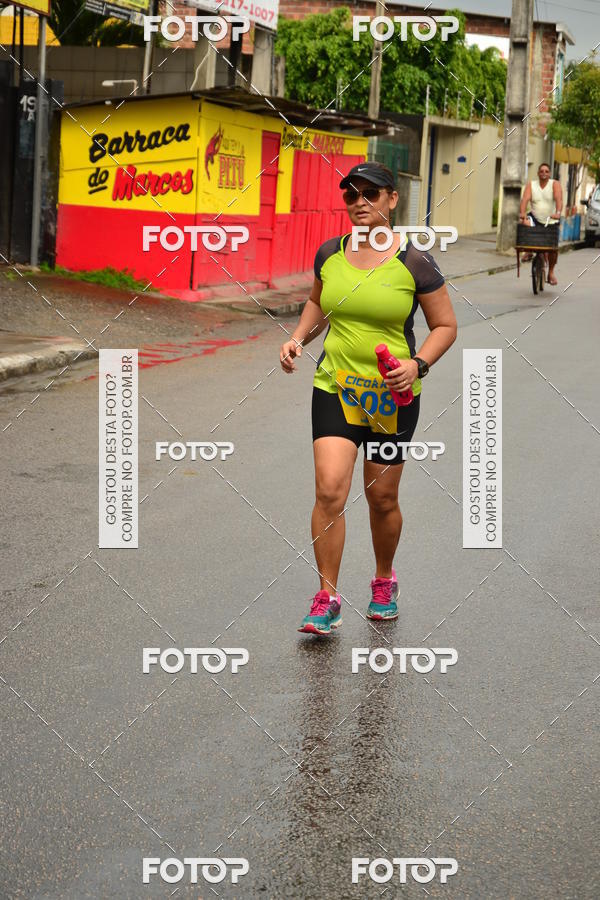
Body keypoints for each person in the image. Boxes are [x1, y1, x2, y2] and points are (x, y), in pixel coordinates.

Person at [279, 161, 457, 635]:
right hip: (335, 386)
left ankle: (383, 580)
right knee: (329, 490)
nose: (359, 202)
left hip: (392, 398)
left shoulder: (414, 262)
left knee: (381, 497)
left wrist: (417, 366)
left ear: (392, 200)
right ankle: (327, 597)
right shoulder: (330, 254)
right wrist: (298, 338)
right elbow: (317, 304)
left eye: (370, 193)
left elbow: (445, 326)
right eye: (351, 194)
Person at [519, 163, 563, 284]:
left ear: (550, 174)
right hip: (535, 218)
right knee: (524, 222)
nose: (544, 173)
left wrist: (558, 213)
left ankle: (551, 273)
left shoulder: (554, 184)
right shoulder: (531, 185)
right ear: (538, 173)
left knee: (553, 249)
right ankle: (529, 251)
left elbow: (558, 199)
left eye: (546, 171)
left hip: (551, 220)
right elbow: (525, 200)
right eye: (542, 171)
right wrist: (522, 213)